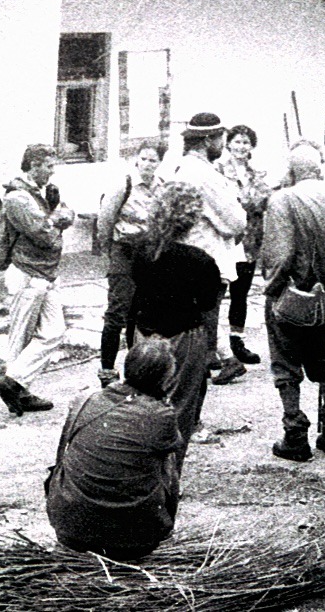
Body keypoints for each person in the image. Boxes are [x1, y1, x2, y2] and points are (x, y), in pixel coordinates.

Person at [260, 143, 325, 462]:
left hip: (291, 293)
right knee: (324, 356)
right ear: (318, 169)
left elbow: (281, 252)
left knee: (285, 361)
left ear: (292, 171)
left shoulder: (283, 200)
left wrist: (272, 288)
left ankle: (295, 435)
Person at [45, 338, 183, 560]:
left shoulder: (85, 398)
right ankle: (161, 530)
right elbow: (173, 446)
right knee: (168, 457)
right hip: (131, 540)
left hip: (69, 528)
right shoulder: (160, 415)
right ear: (166, 378)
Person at [131, 182, 224, 451]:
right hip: (184, 335)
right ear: (192, 218)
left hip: (145, 333)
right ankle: (170, 481)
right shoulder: (201, 260)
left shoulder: (142, 251)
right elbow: (208, 304)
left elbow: (137, 294)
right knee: (180, 408)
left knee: (144, 402)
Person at [156, 113, 248, 385]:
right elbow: (235, 220)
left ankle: (217, 360)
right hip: (206, 256)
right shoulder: (204, 173)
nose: (223, 144)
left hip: (185, 255)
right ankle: (210, 362)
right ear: (208, 140)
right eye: (221, 138)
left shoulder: (182, 168)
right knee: (205, 316)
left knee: (196, 316)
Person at [0, 145, 75, 416]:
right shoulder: (17, 198)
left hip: (46, 272)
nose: (52, 171)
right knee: (20, 337)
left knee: (54, 331)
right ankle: (18, 392)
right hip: (26, 273)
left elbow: (68, 213)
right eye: (48, 166)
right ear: (34, 165)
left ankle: (13, 382)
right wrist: (58, 219)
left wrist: (59, 217)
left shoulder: (45, 192)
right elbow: (44, 234)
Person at [95, 142, 164, 387]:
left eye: (153, 160)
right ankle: (106, 371)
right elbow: (105, 219)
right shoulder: (124, 185)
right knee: (117, 312)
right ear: (137, 160)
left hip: (147, 256)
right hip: (123, 252)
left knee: (140, 313)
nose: (147, 164)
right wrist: (109, 250)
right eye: (144, 159)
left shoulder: (162, 187)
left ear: (159, 163)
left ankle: (135, 371)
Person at [216, 125, 272, 370]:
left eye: (245, 143)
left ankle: (237, 340)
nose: (241, 147)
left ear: (252, 147)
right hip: (226, 237)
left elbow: (263, 199)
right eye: (237, 142)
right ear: (228, 144)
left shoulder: (257, 173)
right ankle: (213, 345)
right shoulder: (218, 170)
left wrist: (244, 201)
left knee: (241, 292)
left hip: (249, 239)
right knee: (217, 291)